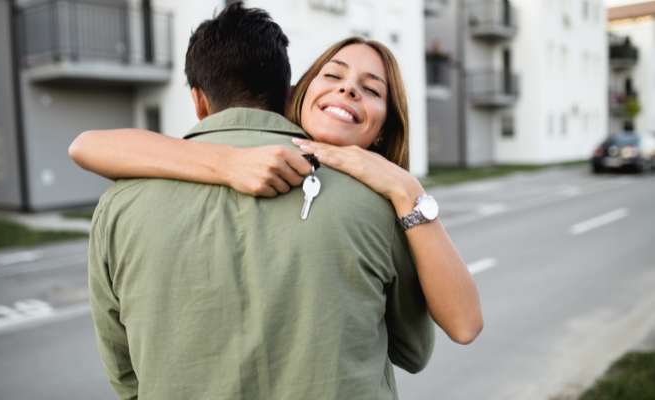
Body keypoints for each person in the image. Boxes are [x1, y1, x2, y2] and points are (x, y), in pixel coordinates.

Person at [76, 3, 482, 399]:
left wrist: (406, 188)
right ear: (293, 91)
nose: (348, 88)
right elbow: (414, 351)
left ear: (199, 102)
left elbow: (127, 379)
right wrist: (229, 163)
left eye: (372, 88)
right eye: (334, 74)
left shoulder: (118, 204)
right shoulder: (374, 207)